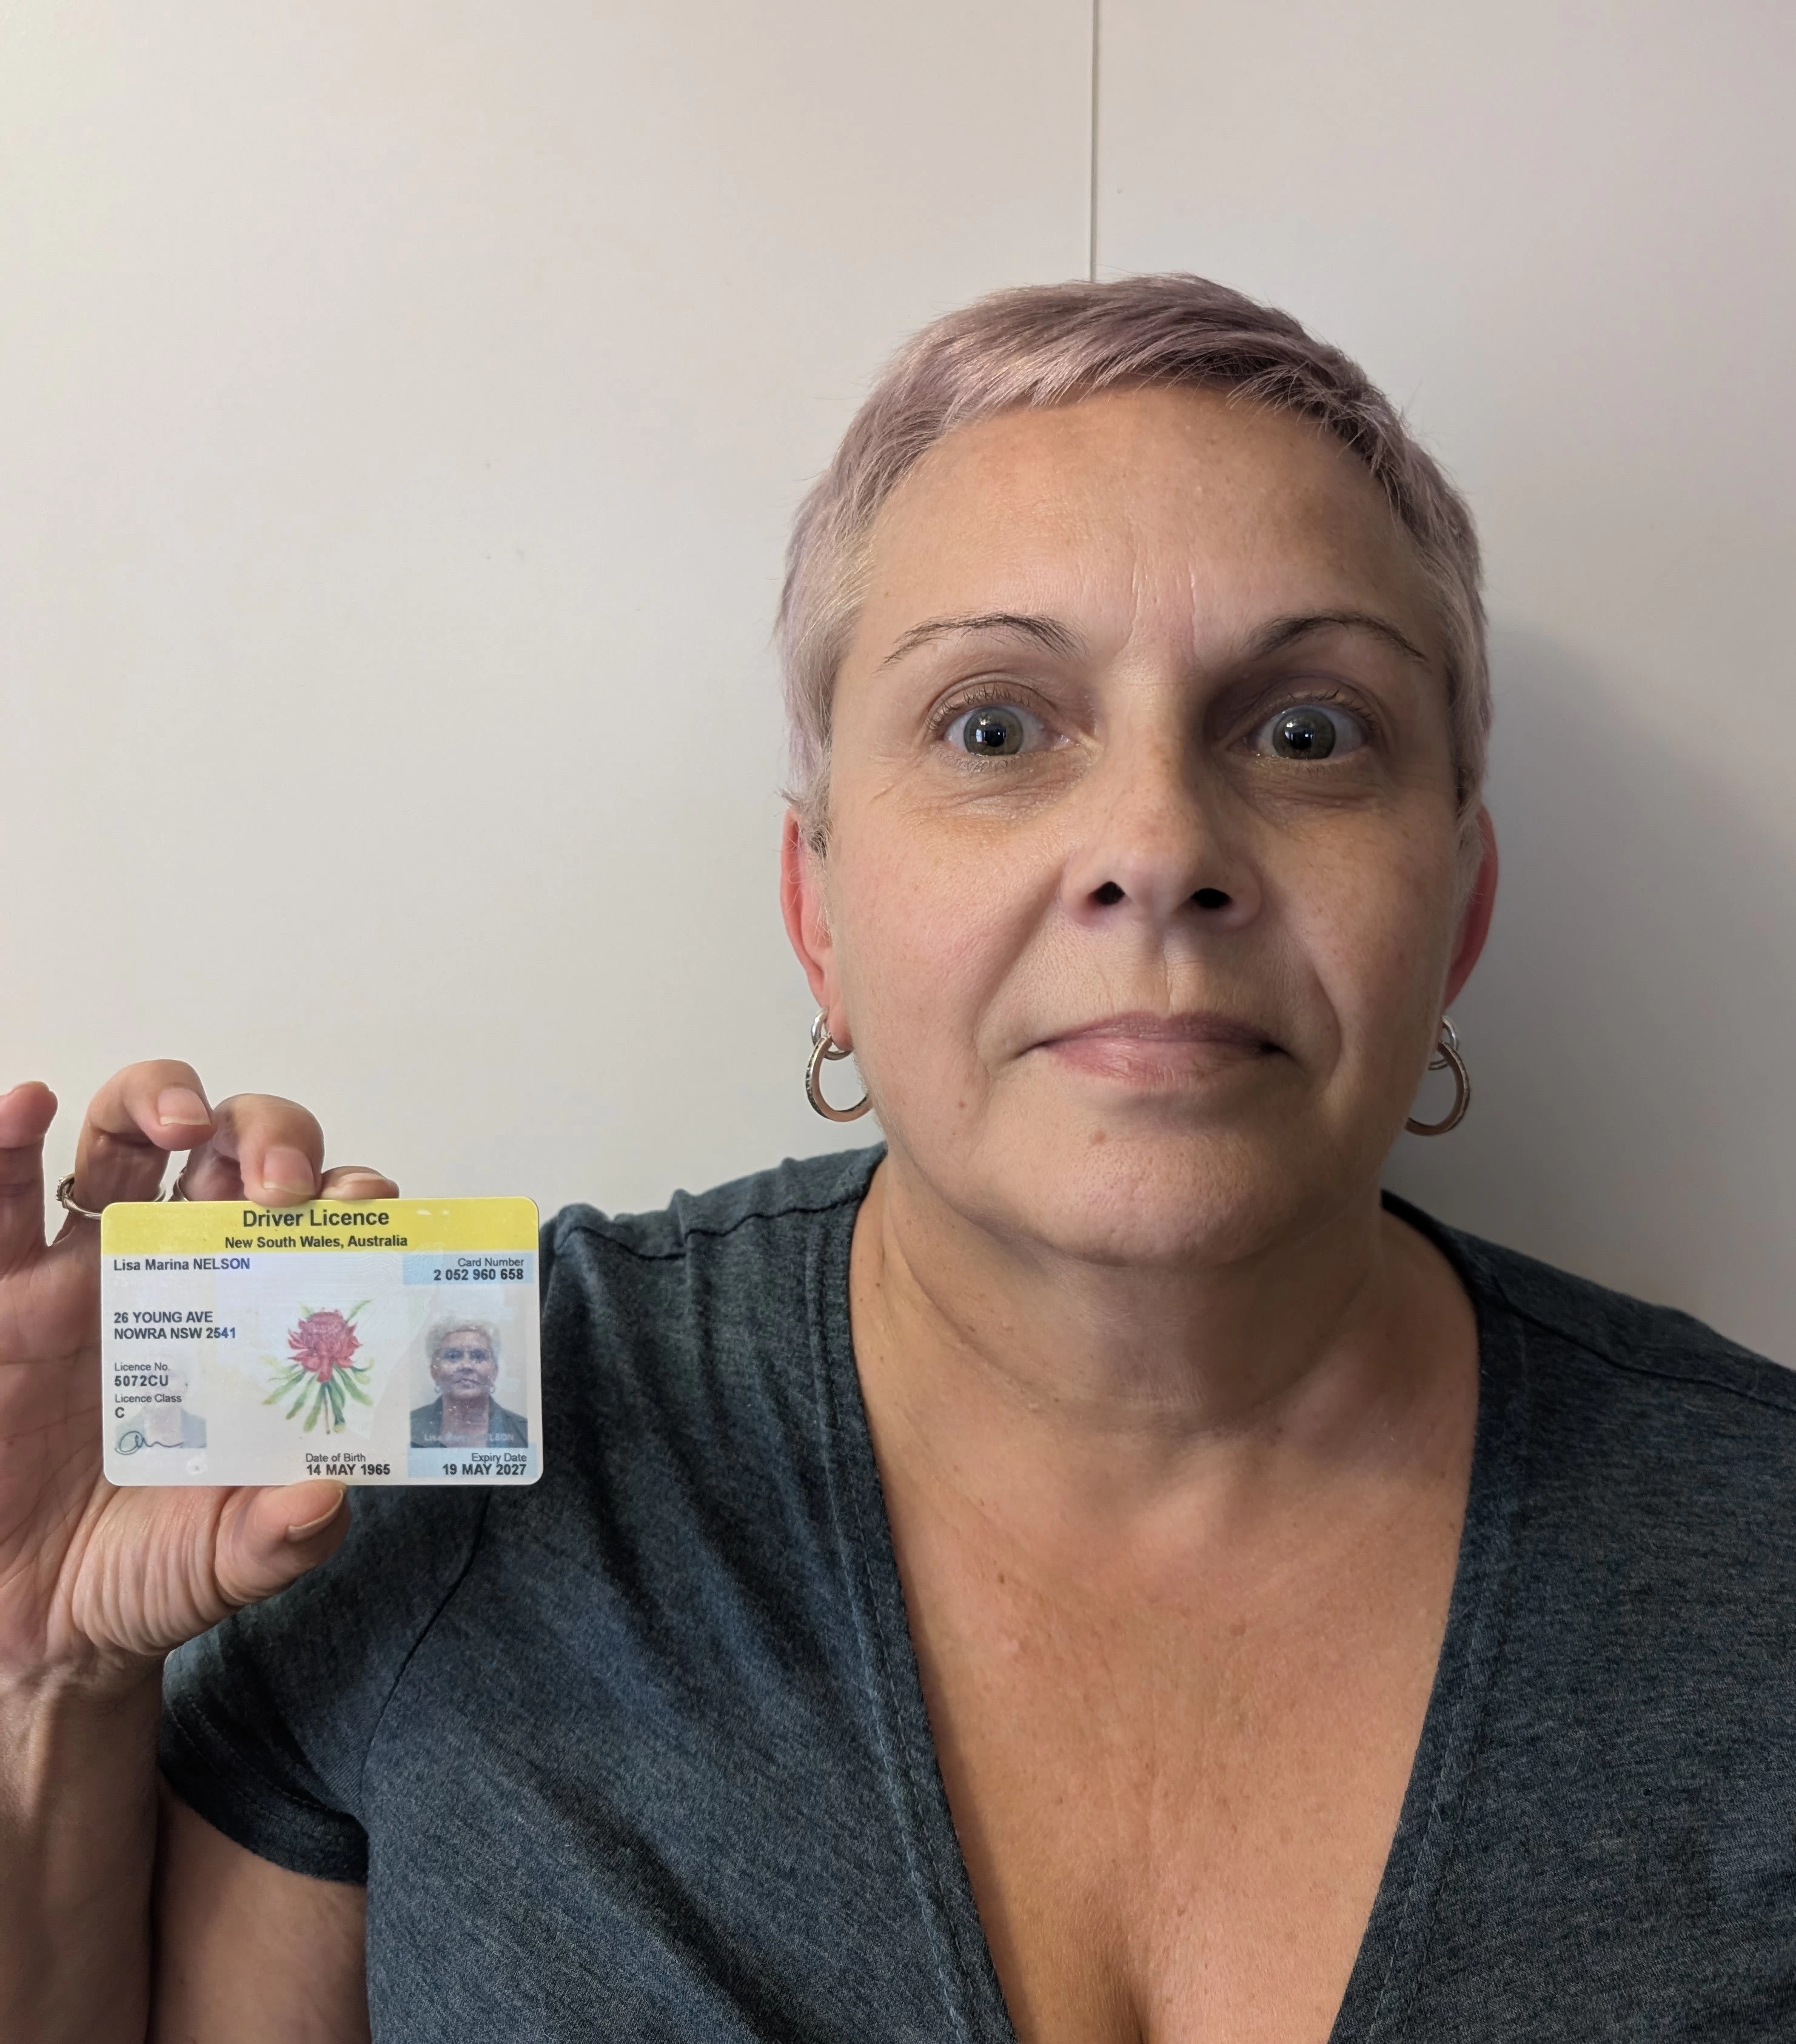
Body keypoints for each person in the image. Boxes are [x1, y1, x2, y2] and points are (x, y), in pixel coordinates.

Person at [4, 275, 1792, 2043]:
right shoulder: (458, 1416)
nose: (1157, 843)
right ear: (820, 915)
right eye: (995, 726)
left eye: (1307, 730)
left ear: (1458, 913)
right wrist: (47, 1665)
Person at [409, 1319, 528, 1448]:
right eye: (453, 1356)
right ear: (435, 1371)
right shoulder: (408, 1428)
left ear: (494, 1371)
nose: (466, 1366)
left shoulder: (524, 1432)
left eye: (478, 1356)